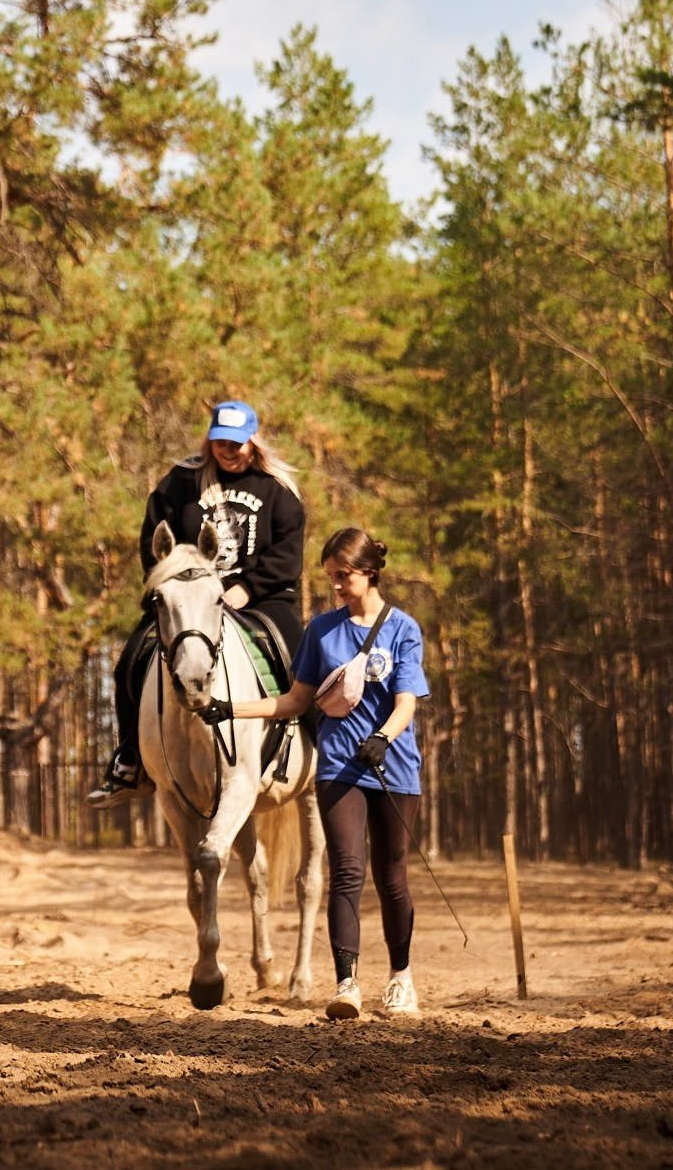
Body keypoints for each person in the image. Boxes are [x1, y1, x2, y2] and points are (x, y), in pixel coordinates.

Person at [217, 527, 427, 1020]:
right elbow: (294, 700)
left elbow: (407, 701)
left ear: (369, 572)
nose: (335, 585)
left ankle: (400, 978)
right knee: (346, 872)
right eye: (331, 576)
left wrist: (384, 737)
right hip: (338, 769)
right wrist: (228, 708)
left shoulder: (403, 629)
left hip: (394, 768)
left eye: (343, 575)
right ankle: (346, 984)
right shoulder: (320, 631)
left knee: (392, 875)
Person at [86, 400, 305, 805]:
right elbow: (155, 538)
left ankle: (323, 756)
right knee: (129, 661)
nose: (228, 449)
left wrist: (247, 588)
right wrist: (175, 586)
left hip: (260, 598)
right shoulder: (179, 483)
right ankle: (130, 760)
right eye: (220, 440)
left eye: (236, 443)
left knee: (301, 658)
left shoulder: (277, 490)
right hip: (189, 600)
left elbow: (288, 556)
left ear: (252, 443)